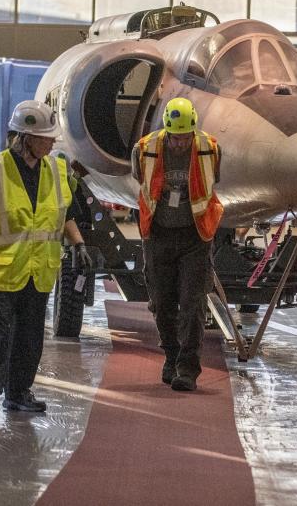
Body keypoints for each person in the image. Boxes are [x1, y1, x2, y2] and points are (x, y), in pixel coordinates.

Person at [0, 100, 92, 413]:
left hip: (38, 270)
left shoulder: (56, 171)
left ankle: (18, 393)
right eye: (46, 137)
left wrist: (79, 245)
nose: (51, 142)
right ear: (25, 138)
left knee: (30, 337)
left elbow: (67, 215)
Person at [130, 97, 223, 392]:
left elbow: (213, 182)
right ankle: (171, 356)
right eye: (176, 137)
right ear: (166, 131)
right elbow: (139, 180)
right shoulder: (145, 149)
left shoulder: (209, 147)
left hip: (195, 236)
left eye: (186, 137)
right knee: (161, 302)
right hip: (158, 235)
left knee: (193, 304)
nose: (181, 142)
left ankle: (187, 368)